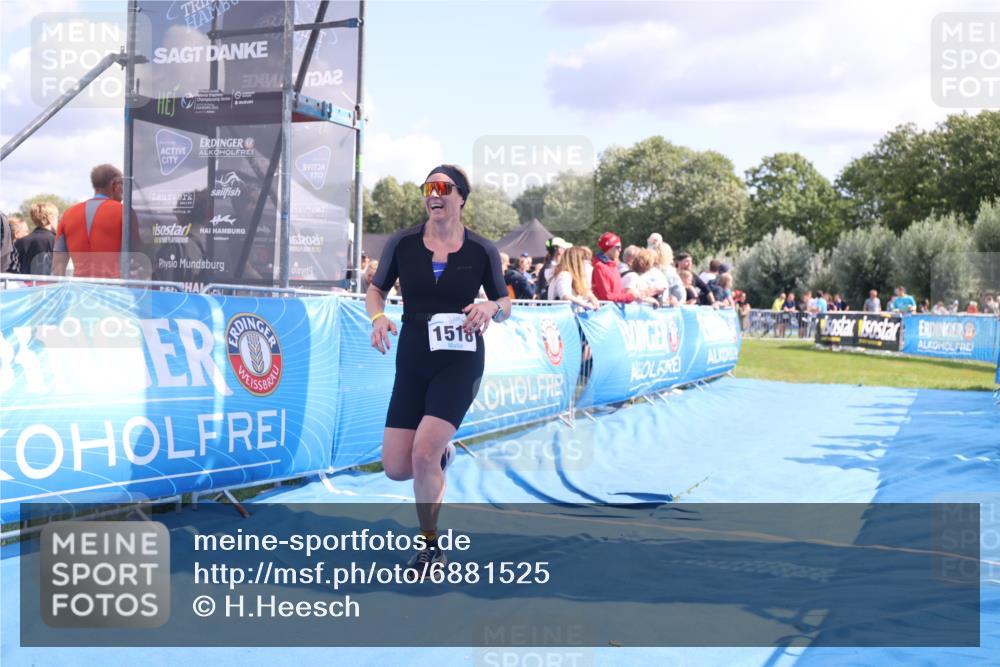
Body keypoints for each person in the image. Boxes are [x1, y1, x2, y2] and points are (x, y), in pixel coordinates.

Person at [367, 164, 510, 574]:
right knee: (397, 467)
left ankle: (430, 546)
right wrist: (378, 319)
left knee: (422, 453)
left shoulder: (482, 250)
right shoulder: (403, 242)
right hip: (412, 355)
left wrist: (490, 306)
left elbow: (505, 302)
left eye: (443, 188)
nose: (434, 194)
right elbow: (376, 290)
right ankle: (441, 454)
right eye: (428, 187)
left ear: (461, 197)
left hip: (460, 359)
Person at [53, 164, 135, 278]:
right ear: (114, 185)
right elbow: (137, 256)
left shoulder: (68, 214)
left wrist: (58, 290)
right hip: (114, 289)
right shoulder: (125, 213)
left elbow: (58, 262)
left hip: (80, 289)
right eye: (123, 184)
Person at [549, 245, 600, 310]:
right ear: (576, 261)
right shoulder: (564, 275)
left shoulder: (576, 276)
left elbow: (586, 292)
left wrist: (593, 298)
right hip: (562, 315)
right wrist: (585, 304)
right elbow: (565, 295)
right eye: (583, 258)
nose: (586, 261)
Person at [591, 232, 637, 303]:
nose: (620, 250)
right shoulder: (599, 267)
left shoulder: (613, 266)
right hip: (606, 312)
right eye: (617, 247)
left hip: (614, 311)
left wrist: (641, 297)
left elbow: (619, 293)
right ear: (609, 248)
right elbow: (607, 296)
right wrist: (631, 296)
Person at [14, 202, 58, 275]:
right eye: (56, 217)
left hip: (25, 285)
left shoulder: (20, 242)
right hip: (50, 285)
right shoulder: (56, 241)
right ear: (50, 218)